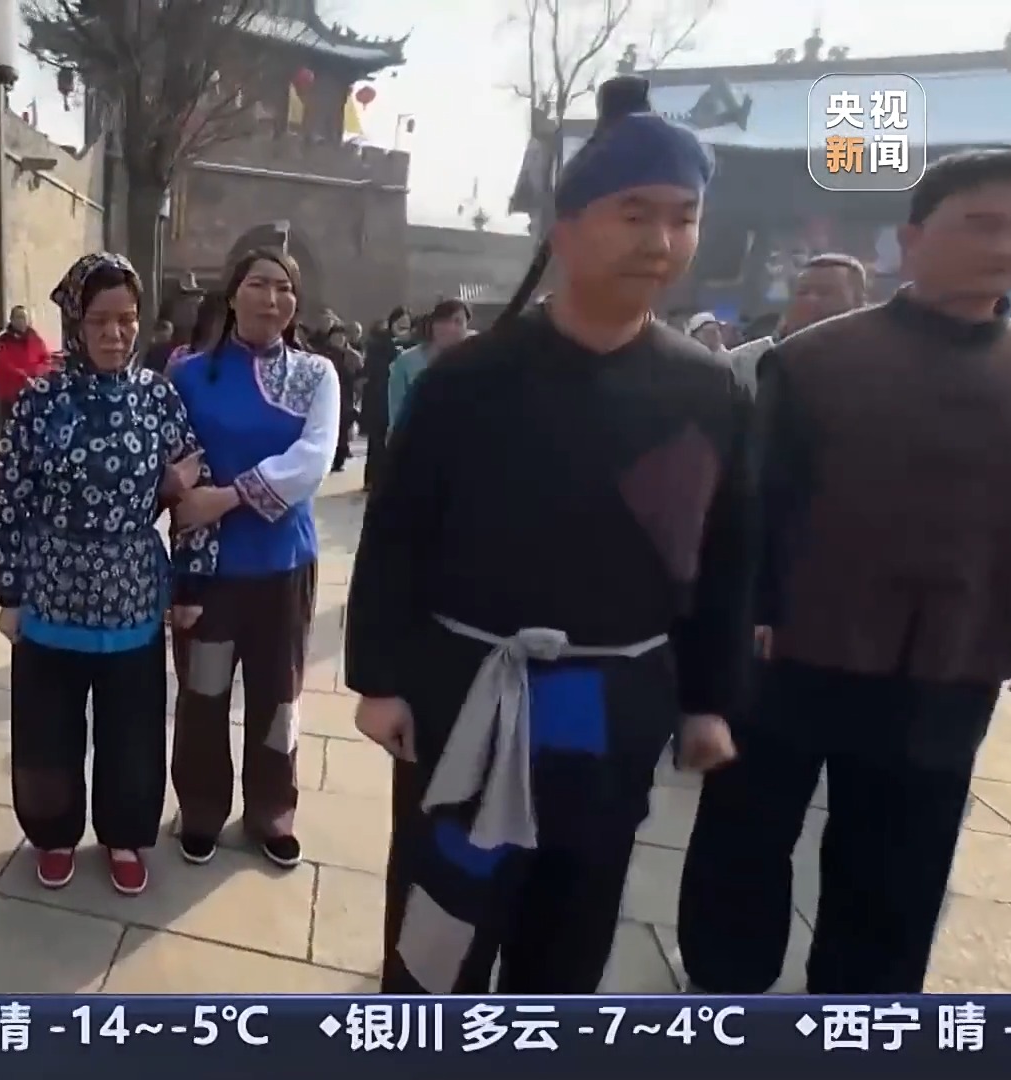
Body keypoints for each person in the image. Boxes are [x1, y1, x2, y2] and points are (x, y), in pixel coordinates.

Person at [347, 75, 751, 995]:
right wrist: (380, 680)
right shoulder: (466, 382)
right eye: (634, 213)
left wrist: (709, 699)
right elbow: (397, 534)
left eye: (683, 217)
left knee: (574, 923)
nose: (660, 241)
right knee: (443, 922)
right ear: (564, 230)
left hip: (614, 700)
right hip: (468, 691)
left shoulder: (708, 389)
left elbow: (727, 552)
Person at [677, 145, 1011, 995]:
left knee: (901, 865)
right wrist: (746, 615)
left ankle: (862, 1019)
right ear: (911, 240)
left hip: (952, 659)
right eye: (981, 224)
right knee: (745, 841)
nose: (1006, 245)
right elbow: (754, 504)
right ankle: (726, 996)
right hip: (794, 650)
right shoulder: (817, 359)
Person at [0, 252, 220, 896]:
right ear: (76, 322)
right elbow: (8, 497)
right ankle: (52, 832)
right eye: (100, 320)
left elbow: (197, 489)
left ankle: (125, 833)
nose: (115, 334)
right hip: (52, 592)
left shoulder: (157, 397)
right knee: (47, 730)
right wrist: (9, 593)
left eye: (126, 319)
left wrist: (191, 582)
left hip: (133, 594)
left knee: (132, 730)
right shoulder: (41, 399)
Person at [166, 249, 341, 869]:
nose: (272, 298)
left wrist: (228, 496)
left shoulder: (316, 375)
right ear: (232, 293)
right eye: (259, 284)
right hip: (208, 574)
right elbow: (171, 457)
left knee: (278, 695)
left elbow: (313, 459)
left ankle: (272, 809)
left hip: (283, 566)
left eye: (284, 287)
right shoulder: (188, 374)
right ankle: (201, 807)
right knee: (204, 693)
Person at [722, 254, 870, 395]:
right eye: (803, 292)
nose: (811, 300)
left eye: (824, 292)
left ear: (859, 303)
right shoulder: (743, 364)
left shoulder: (875, 361)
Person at [386, 300, 471, 437]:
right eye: (445, 321)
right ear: (433, 325)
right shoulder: (406, 362)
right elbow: (396, 411)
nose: (451, 328)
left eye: (458, 322)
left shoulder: (474, 363)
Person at [360, 307, 412, 488]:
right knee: (377, 441)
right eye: (400, 324)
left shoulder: (412, 346)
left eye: (406, 325)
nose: (403, 328)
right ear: (392, 323)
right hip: (380, 397)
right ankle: (372, 479)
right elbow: (371, 370)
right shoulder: (379, 344)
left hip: (400, 398)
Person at [0, 304, 54, 406]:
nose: (21, 321)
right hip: (11, 394)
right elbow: (2, 364)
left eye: (24, 318)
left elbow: (46, 359)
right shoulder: (2, 340)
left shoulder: (35, 338)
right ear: (11, 319)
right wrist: (23, 377)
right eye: (18, 317)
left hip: (34, 392)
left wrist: (38, 373)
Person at [322, 322, 363, 473]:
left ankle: (340, 459)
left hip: (346, 397)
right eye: (335, 336)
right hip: (326, 397)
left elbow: (360, 379)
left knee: (343, 429)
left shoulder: (353, 357)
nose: (338, 339)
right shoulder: (322, 355)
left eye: (341, 336)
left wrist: (358, 398)